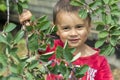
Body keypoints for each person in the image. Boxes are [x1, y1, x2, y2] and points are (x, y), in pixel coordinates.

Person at [45, 0, 113, 80]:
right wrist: (28, 21)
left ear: (89, 27)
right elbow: (36, 43)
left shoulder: (99, 61)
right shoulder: (54, 48)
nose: (73, 33)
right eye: (66, 28)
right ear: (56, 29)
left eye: (79, 27)